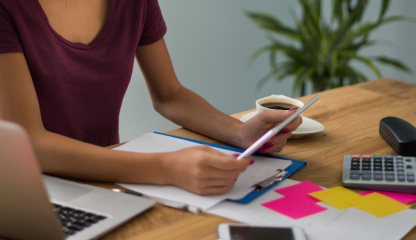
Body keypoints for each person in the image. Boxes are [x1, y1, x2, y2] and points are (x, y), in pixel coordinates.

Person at [0, 0, 302, 195]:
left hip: (104, 181)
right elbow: (31, 143)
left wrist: (240, 132)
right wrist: (168, 168)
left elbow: (170, 94)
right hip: (26, 192)